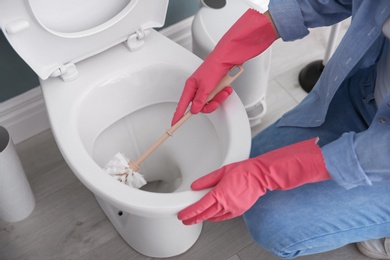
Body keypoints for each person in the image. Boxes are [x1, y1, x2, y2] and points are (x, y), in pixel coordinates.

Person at [171, 1, 390, 259]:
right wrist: (230, 51)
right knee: (249, 159)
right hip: (366, 90)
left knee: (274, 224)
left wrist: (264, 174)